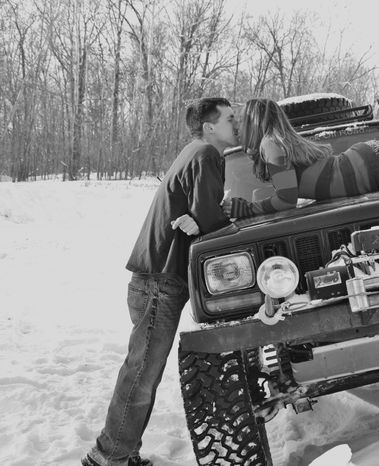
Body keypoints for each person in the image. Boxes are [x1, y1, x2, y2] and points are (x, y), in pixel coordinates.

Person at [81, 97, 239, 466]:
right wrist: (223, 217)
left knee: (144, 372)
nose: (237, 123)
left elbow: (202, 215)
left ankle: (122, 451)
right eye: (230, 118)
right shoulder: (205, 154)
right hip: (159, 280)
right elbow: (209, 218)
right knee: (141, 372)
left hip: (156, 279)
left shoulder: (194, 152)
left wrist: (207, 217)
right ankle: (109, 455)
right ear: (210, 126)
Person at [225, 70, 379, 219]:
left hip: (375, 166)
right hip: (371, 163)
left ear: (254, 122)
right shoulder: (277, 141)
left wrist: (247, 209)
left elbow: (286, 199)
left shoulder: (270, 143)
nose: (238, 127)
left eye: (241, 121)